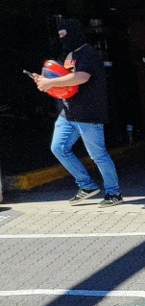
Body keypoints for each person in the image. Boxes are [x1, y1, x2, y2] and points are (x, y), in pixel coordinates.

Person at [32, 18, 122, 207]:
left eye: (64, 34)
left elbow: (82, 77)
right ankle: (86, 185)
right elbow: (65, 80)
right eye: (59, 35)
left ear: (73, 32)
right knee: (58, 147)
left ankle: (114, 193)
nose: (62, 38)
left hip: (88, 113)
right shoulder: (70, 55)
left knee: (98, 155)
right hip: (69, 112)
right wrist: (46, 80)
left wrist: (51, 83)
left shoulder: (87, 52)